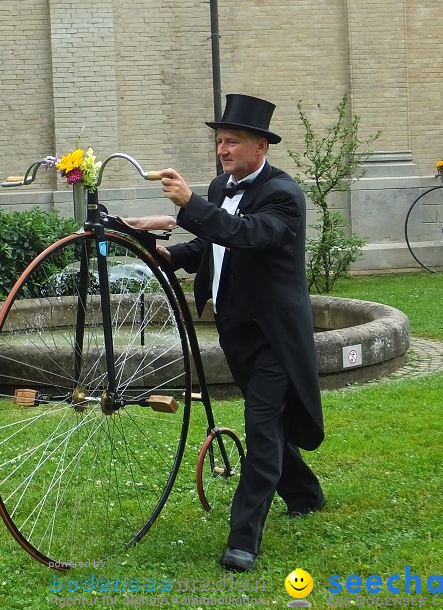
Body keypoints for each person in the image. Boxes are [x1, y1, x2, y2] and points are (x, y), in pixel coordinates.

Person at [125, 93, 325, 573]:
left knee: (260, 429)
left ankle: (243, 540)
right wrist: (170, 255)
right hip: (237, 332)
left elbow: (248, 236)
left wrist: (188, 205)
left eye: (232, 141)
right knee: (270, 424)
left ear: (261, 146)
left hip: (275, 335)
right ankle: (305, 493)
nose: (223, 149)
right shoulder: (220, 188)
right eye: (219, 141)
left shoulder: (284, 195)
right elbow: (214, 246)